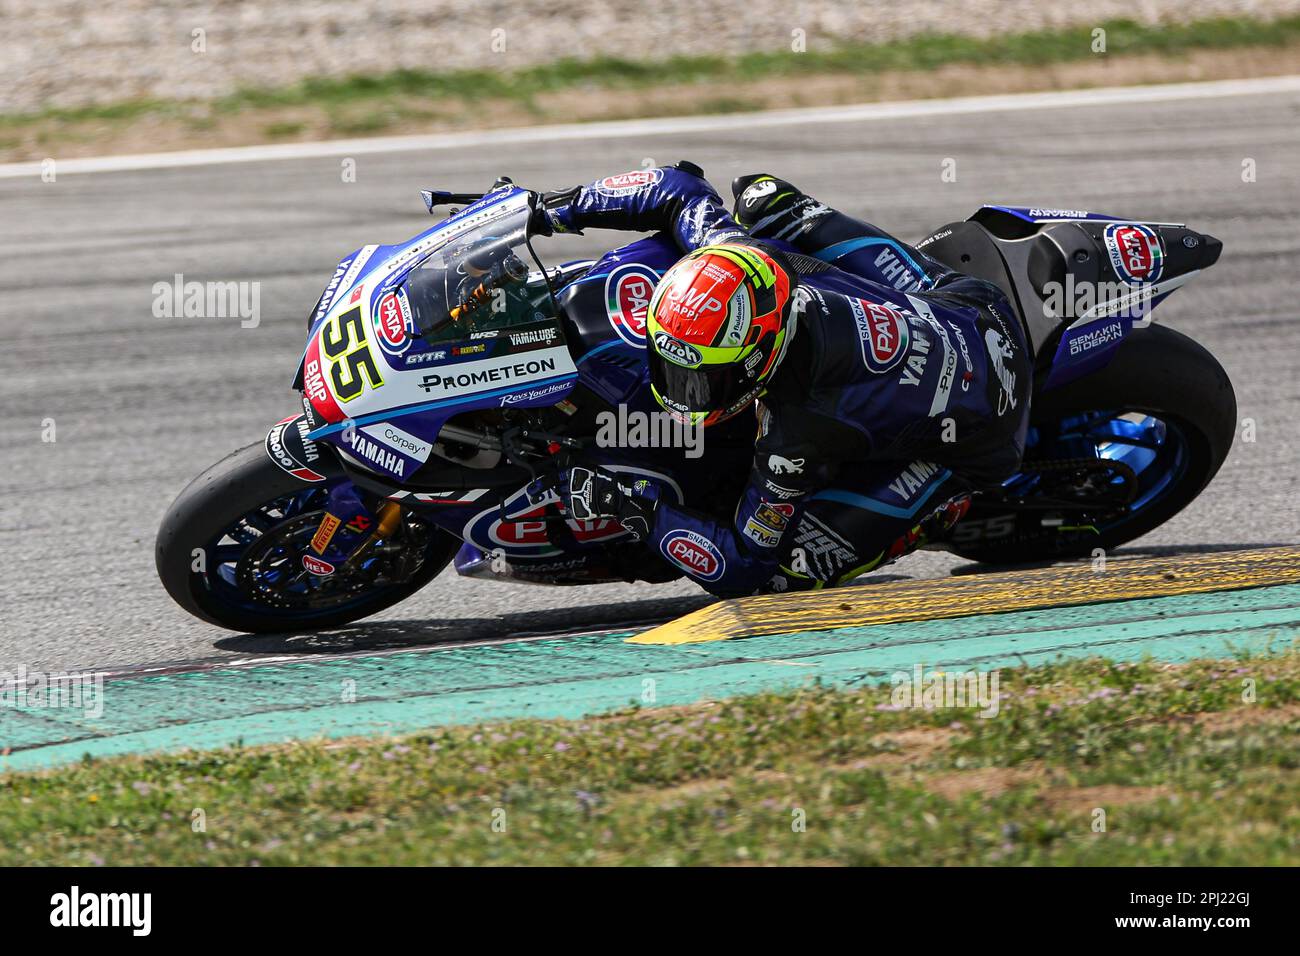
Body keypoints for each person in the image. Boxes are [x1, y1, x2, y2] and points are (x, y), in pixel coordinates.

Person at [534, 162, 1031, 596]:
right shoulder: (737, 252)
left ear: (757, 360)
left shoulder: (796, 435)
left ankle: (943, 509)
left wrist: (635, 510)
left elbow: (744, 565)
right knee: (763, 197)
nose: (683, 391)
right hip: (970, 303)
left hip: (988, 431)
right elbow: (676, 186)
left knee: (790, 572)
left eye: (702, 379)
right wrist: (553, 208)